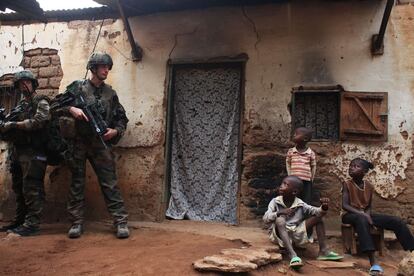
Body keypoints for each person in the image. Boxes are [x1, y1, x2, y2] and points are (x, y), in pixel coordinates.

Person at [52, 52, 129, 239]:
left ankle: (120, 221)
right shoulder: (77, 88)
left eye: (108, 67)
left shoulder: (110, 94)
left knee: (109, 183)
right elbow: (54, 105)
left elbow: (122, 118)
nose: (106, 70)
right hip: (78, 143)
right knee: (77, 183)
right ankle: (76, 222)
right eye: (103, 66)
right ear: (93, 68)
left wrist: (115, 131)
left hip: (100, 144)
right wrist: (72, 109)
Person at [342, 158, 414, 275]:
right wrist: (363, 215)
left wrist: (368, 216)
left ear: (364, 171)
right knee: (361, 219)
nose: (352, 168)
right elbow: (344, 205)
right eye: (351, 166)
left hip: (365, 214)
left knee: (396, 221)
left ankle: (412, 250)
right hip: (350, 215)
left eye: (356, 166)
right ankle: (373, 261)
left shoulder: (369, 186)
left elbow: (368, 206)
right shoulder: (347, 184)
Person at [0, 70, 50, 236]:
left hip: (34, 152)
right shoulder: (21, 105)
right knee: (19, 187)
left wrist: (14, 125)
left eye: (27, 82)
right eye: (21, 83)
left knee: (32, 187)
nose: (24, 85)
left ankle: (32, 223)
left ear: (33, 83)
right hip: (18, 152)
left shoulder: (41, 101)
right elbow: (8, 124)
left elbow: (40, 121)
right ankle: (20, 220)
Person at [263, 176, 342, 269]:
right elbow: (265, 218)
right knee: (280, 220)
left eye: (285, 184)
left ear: (294, 192)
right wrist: (279, 213)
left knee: (318, 219)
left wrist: (323, 207)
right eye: (282, 183)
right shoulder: (275, 202)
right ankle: (292, 254)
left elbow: (316, 212)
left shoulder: (300, 204)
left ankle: (323, 251)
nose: (281, 186)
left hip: (296, 233)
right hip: (279, 235)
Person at [286, 127, 316, 204]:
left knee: (306, 199)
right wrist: (290, 175)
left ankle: (305, 214)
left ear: (305, 138)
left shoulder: (310, 153)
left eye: (296, 134)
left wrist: (311, 179)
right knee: (294, 199)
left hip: (306, 181)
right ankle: (294, 214)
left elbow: (313, 166)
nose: (294, 135)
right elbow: (288, 163)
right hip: (294, 181)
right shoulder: (291, 151)